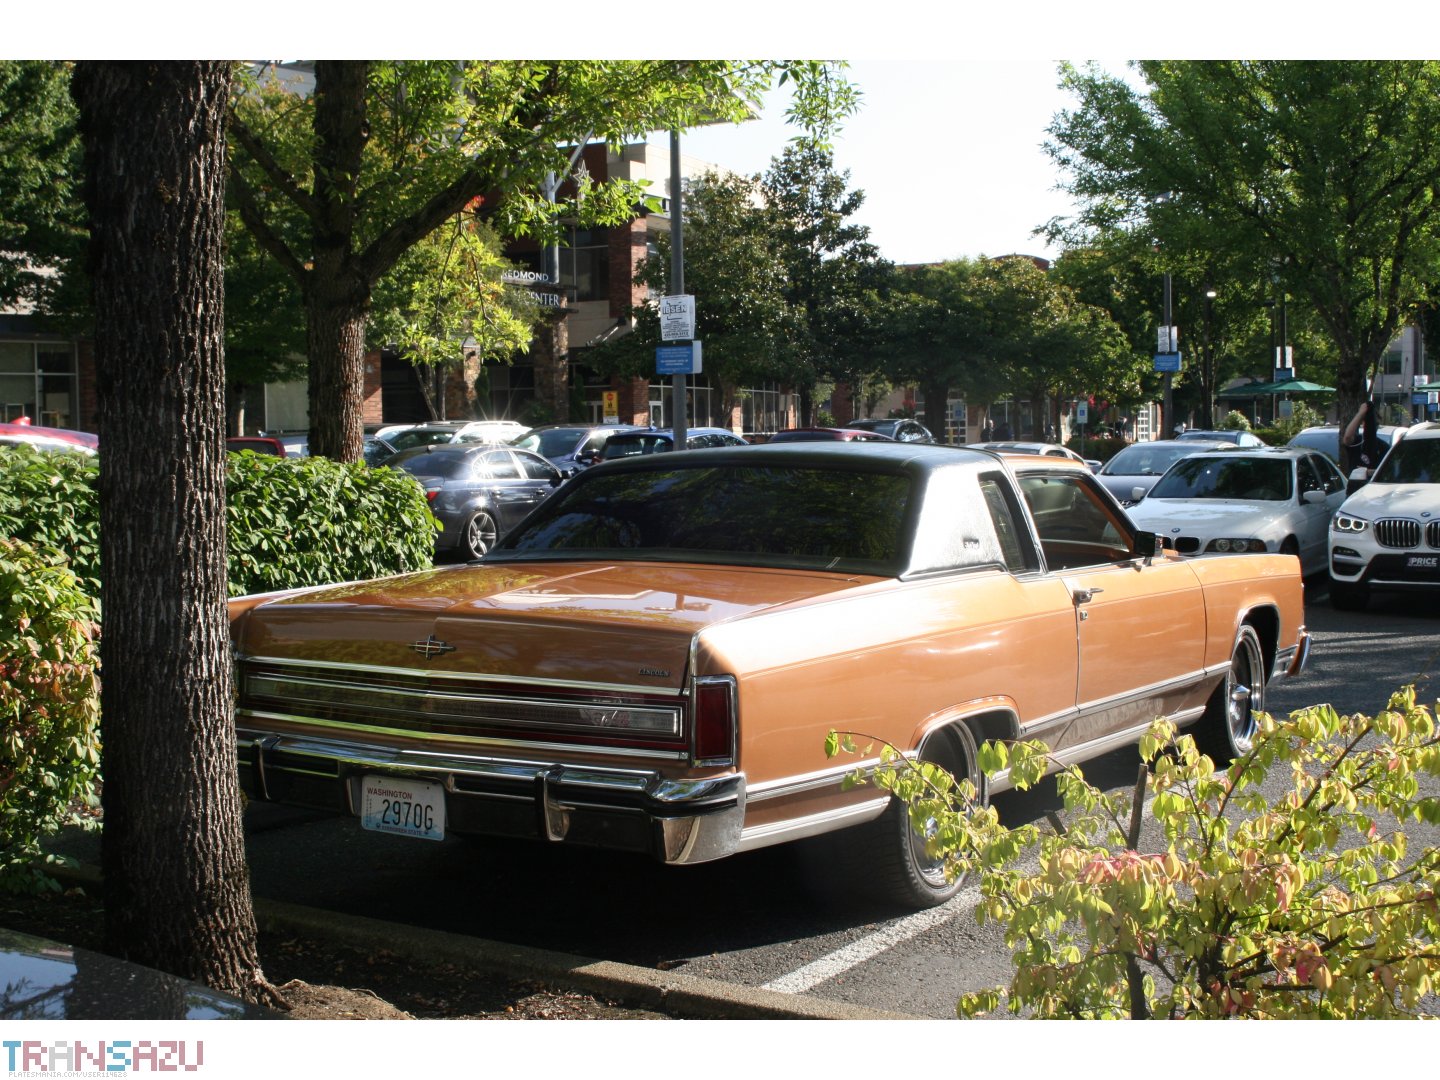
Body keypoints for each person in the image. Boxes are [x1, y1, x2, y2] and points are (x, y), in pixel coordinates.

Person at [1342, 401, 1386, 475]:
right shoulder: (1358, 441)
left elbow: (1386, 472)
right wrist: (1361, 413)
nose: (1373, 427)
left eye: (1376, 424)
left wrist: (1367, 472)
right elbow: (1347, 437)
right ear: (1363, 423)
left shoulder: (1384, 446)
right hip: (1355, 484)